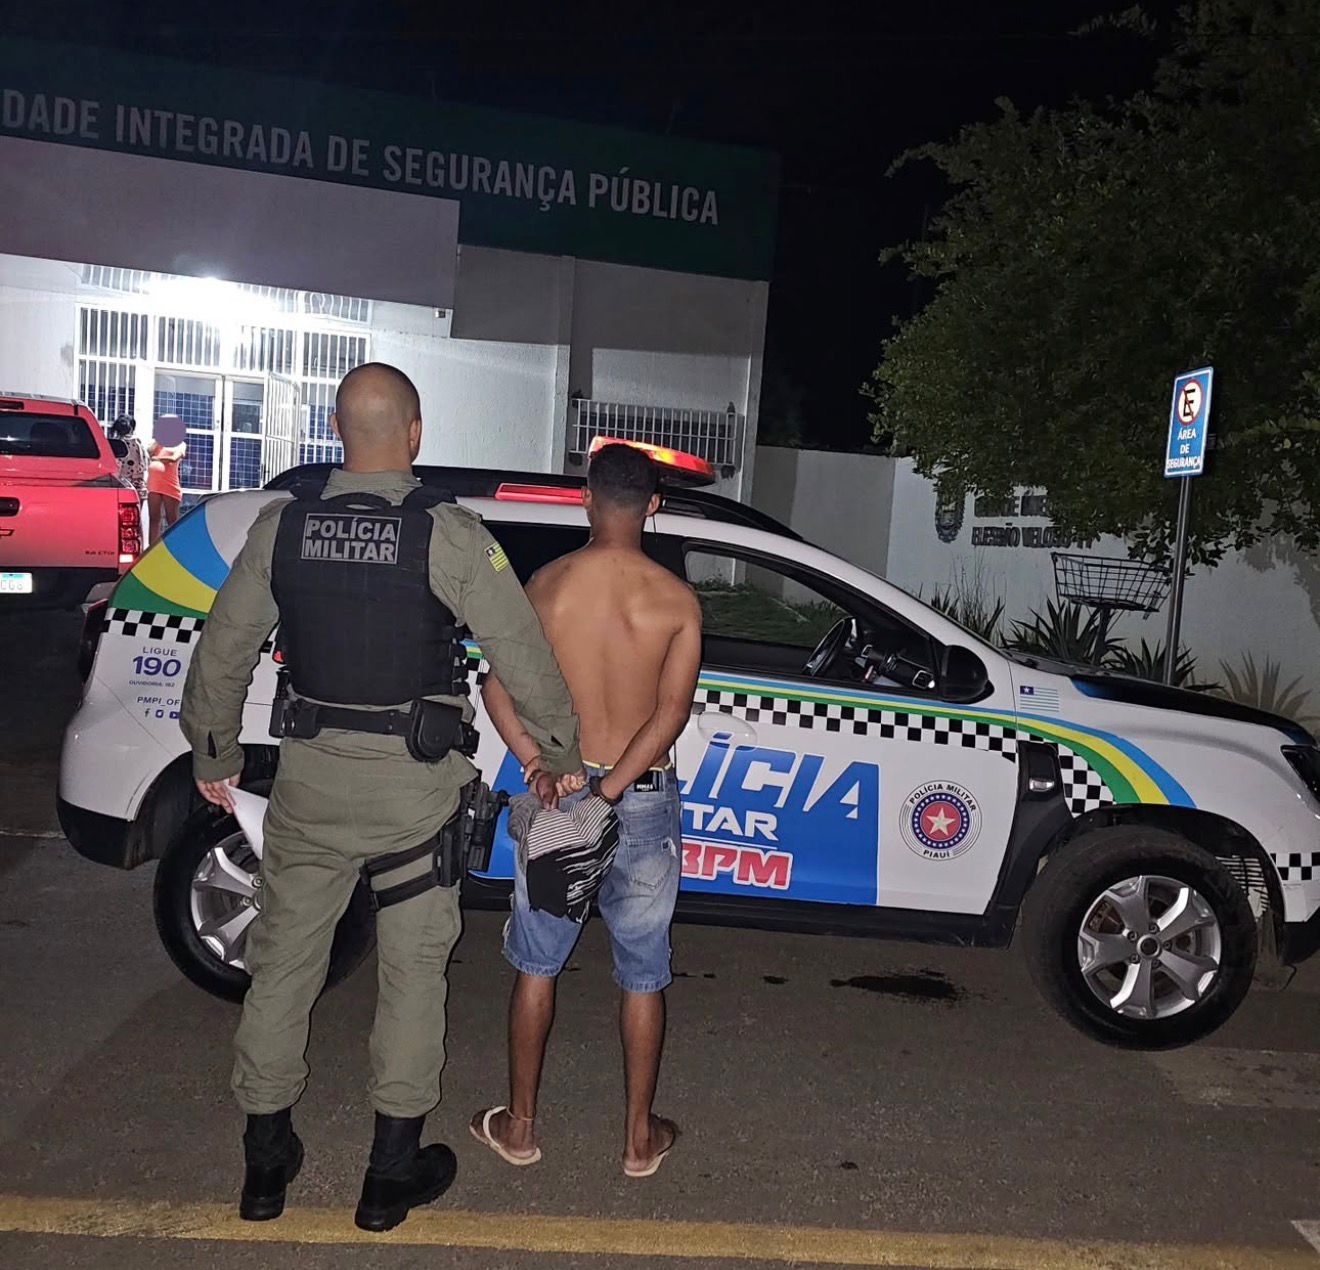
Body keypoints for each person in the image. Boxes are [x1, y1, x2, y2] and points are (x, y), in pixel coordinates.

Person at [179, 363, 582, 1231]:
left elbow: (223, 649)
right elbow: (522, 653)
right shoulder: (449, 534)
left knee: (282, 969)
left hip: (310, 788)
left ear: (335, 430)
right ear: (415, 432)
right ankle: (388, 1177)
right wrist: (561, 754)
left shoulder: (282, 528)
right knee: (411, 976)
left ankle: (264, 1166)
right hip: (414, 797)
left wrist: (214, 750)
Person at [471, 442, 702, 1179]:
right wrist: (611, 793)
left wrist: (538, 765)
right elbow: (669, 716)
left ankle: (520, 1128)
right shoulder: (676, 602)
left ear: (586, 500)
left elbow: (496, 689)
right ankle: (637, 1140)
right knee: (643, 969)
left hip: (561, 794)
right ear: (653, 506)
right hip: (639, 800)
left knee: (537, 963)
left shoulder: (547, 586)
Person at [109, 414, 149, 543]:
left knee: (116, 521)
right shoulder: (137, 443)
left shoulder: (113, 444)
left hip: (119, 486)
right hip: (137, 486)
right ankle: (137, 546)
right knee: (135, 522)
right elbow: (142, 466)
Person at [147, 416, 187, 540]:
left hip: (170, 485)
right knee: (154, 518)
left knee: (172, 521)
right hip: (154, 484)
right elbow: (149, 451)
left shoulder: (180, 444)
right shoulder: (158, 443)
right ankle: (152, 547)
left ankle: (174, 545)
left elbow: (174, 459)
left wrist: (157, 459)